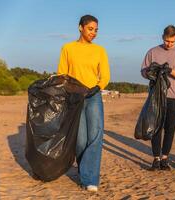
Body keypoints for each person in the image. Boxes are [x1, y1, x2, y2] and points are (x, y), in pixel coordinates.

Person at [57, 15, 110, 192]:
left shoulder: (100, 50)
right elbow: (61, 74)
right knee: (80, 141)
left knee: (95, 135)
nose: (93, 33)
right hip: (74, 97)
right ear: (80, 27)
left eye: (96, 30)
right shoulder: (67, 48)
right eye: (90, 29)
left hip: (93, 95)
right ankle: (84, 170)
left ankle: (90, 179)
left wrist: (98, 87)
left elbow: (105, 75)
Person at [141, 25, 175, 171]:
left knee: (170, 128)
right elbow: (143, 71)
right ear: (163, 37)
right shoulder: (152, 52)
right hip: (156, 96)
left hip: (174, 96)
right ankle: (156, 158)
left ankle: (165, 158)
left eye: (172, 42)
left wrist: (170, 70)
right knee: (156, 128)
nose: (169, 44)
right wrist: (150, 72)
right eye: (167, 41)